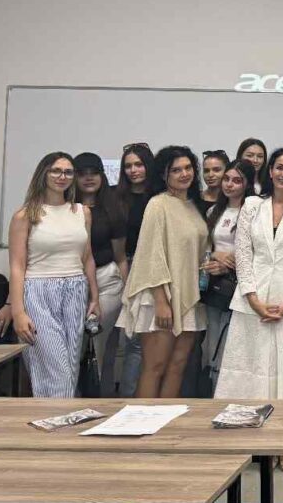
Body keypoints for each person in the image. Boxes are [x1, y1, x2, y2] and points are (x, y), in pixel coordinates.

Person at [215, 146, 283, 475]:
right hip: (253, 301)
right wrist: (253, 298)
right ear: (270, 171)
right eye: (280, 167)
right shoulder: (251, 205)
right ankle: (250, 441)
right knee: (253, 371)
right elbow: (243, 254)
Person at [117, 146, 209, 399]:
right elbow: (151, 254)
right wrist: (161, 301)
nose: (184, 174)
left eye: (188, 168)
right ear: (163, 174)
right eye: (176, 170)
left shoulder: (193, 205)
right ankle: (142, 420)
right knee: (154, 366)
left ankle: (166, 419)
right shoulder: (157, 204)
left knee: (178, 366)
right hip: (161, 295)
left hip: (189, 295)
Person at [8, 153, 100, 397]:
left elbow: (87, 257)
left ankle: (56, 417)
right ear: (44, 174)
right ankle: (56, 417)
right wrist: (18, 312)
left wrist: (95, 297)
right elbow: (17, 266)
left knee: (70, 367)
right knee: (55, 369)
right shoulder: (25, 215)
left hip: (75, 290)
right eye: (56, 171)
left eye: (68, 172)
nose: (62, 176)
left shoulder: (82, 212)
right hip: (38, 291)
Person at [74, 152, 129, 396]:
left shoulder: (113, 209)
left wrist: (128, 293)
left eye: (94, 173)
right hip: (71, 282)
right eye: (82, 174)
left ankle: (102, 398)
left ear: (102, 176)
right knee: (73, 348)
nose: (89, 178)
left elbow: (120, 257)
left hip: (106, 281)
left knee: (101, 347)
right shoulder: (65, 209)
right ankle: (72, 400)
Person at [200, 159, 256, 394]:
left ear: (247, 184)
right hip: (214, 283)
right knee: (213, 340)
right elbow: (206, 246)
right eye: (227, 179)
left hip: (240, 283)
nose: (229, 184)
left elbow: (257, 250)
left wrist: (229, 264)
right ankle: (215, 390)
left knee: (235, 343)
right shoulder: (214, 211)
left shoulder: (254, 210)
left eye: (237, 180)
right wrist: (215, 257)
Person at [114, 142, 157, 397]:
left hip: (152, 269)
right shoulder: (115, 197)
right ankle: (124, 398)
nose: (133, 170)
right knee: (125, 340)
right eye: (128, 166)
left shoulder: (159, 198)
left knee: (140, 341)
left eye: (139, 164)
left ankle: (136, 398)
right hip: (122, 267)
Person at [198, 150, 230, 216]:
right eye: (206, 171)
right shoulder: (195, 199)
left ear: (227, 171)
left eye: (216, 170)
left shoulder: (233, 200)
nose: (210, 175)